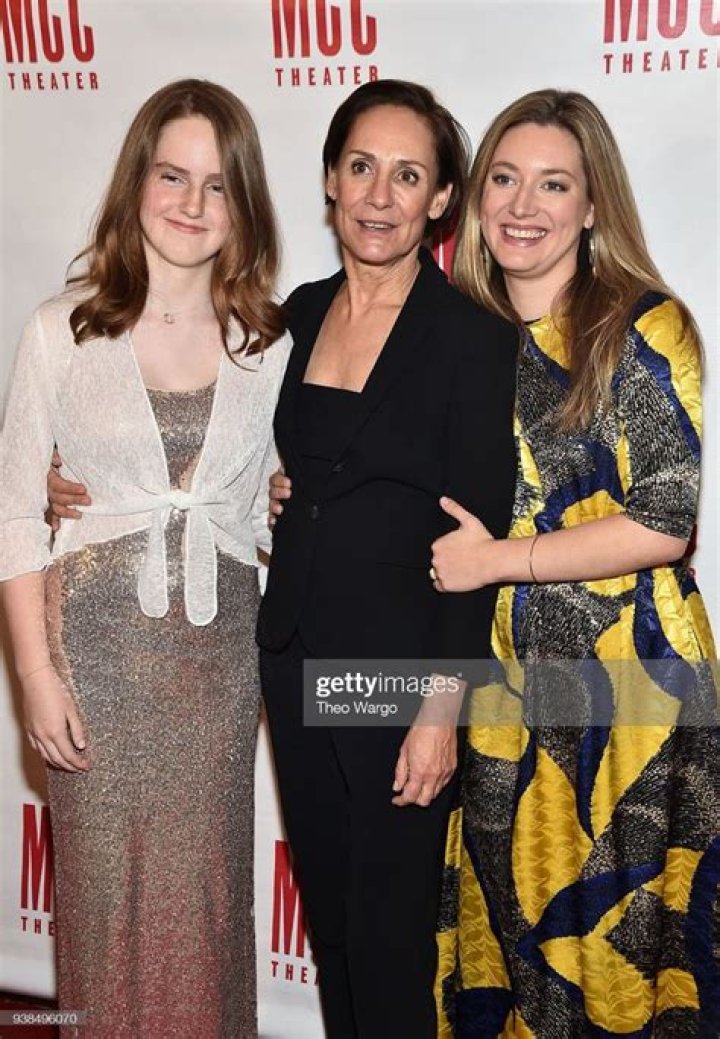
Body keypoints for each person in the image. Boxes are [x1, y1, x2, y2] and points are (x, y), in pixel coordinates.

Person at [426, 90, 719, 1037]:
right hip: (502, 685)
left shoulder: (641, 326)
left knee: (615, 964)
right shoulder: (455, 332)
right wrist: (302, 493)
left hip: (631, 691)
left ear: (593, 206)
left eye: (553, 185)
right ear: (475, 197)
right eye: (504, 179)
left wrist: (497, 560)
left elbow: (665, 521)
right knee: (514, 950)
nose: (523, 206)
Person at [0, 79, 289, 1038]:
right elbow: (14, 512)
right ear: (137, 181)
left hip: (217, 671)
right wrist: (36, 676)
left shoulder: (269, 344)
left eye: (217, 184)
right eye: (173, 175)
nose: (192, 203)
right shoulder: (62, 330)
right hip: (95, 663)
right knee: (104, 912)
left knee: (208, 913)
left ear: (244, 204)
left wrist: (286, 496)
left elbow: (275, 496)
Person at [256, 80, 517, 1039]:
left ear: (441, 200)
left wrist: (439, 710)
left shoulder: (471, 340)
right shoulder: (295, 315)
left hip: (396, 673)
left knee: (389, 935)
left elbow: (474, 538)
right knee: (331, 922)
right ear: (330, 178)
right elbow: (226, 447)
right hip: (292, 653)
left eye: (408, 176)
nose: (379, 194)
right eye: (361, 166)